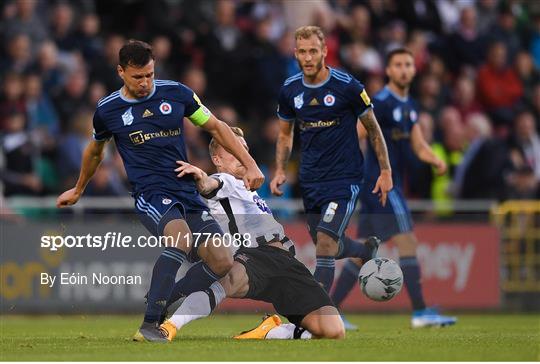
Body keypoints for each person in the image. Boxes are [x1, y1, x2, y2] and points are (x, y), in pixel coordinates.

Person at [55, 40, 264, 341]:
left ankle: (163, 298)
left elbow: (217, 127)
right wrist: (78, 188)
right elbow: (95, 152)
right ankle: (150, 324)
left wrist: (251, 164)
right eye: (138, 77)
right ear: (121, 72)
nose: (145, 83)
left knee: (222, 260)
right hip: (151, 193)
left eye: (150, 75)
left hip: (185, 190)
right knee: (179, 238)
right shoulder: (108, 110)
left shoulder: (177, 94)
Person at [156, 127, 346, 342]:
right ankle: (169, 326)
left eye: (244, 149)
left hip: (287, 262)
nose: (242, 155)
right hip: (254, 255)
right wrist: (201, 177)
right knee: (226, 283)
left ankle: (270, 331)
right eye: (233, 149)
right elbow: (209, 185)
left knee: (333, 331)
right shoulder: (226, 181)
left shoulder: (248, 188)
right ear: (217, 159)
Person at [332, 48, 457, 328]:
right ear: (388, 70)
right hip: (382, 185)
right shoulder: (382, 103)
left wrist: (435, 159)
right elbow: (357, 132)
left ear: (414, 70)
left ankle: (331, 309)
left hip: (382, 185)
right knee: (407, 241)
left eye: (408, 64)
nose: (403, 69)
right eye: (398, 64)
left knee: (363, 250)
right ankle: (422, 312)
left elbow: (418, 144)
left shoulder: (409, 105)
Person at [270, 26, 391, 295]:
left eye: (314, 51)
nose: (308, 57)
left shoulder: (347, 86)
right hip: (311, 180)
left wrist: (385, 170)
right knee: (328, 245)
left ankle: (318, 313)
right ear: (295, 54)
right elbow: (285, 134)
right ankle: (363, 249)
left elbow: (372, 128)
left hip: (344, 179)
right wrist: (279, 169)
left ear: (325, 51)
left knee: (325, 241)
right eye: (303, 52)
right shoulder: (290, 90)